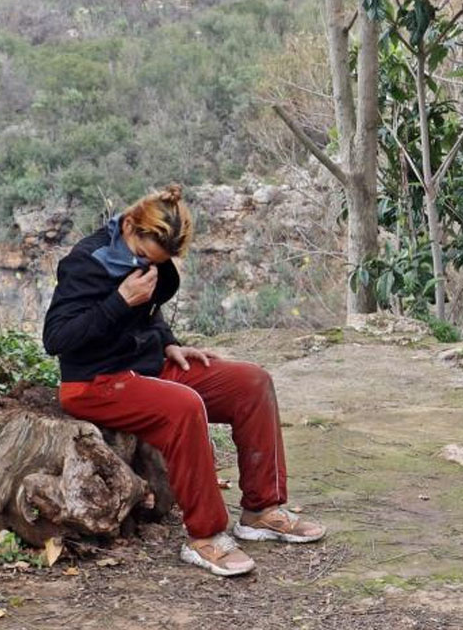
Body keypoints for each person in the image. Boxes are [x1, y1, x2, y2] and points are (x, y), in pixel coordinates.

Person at [42, 185, 325, 576]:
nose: (146, 265)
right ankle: (205, 537)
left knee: (252, 382)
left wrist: (169, 343)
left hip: (147, 367)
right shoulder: (85, 262)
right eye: (142, 255)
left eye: (155, 261)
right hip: (95, 382)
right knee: (184, 406)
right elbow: (56, 339)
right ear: (128, 226)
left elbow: (150, 309)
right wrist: (118, 302)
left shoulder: (148, 264)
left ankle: (261, 510)